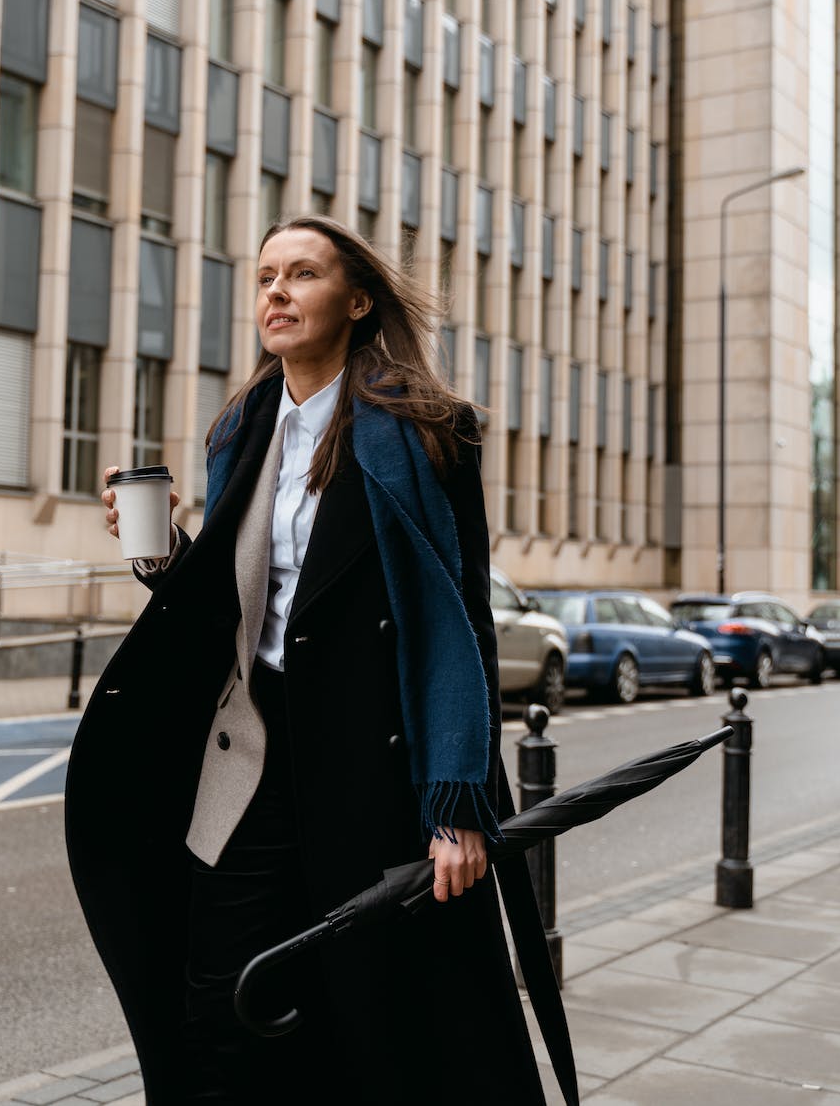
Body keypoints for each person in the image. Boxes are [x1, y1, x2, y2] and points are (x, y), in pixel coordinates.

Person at [65, 216, 552, 1104]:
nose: (276, 293)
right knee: (219, 996)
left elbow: (455, 625)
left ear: (357, 301)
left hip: (370, 766)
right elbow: (236, 609)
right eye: (264, 278)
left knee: (372, 1017)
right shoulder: (243, 429)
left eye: (301, 274)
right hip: (250, 756)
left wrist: (459, 804)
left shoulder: (427, 434)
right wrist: (166, 555)